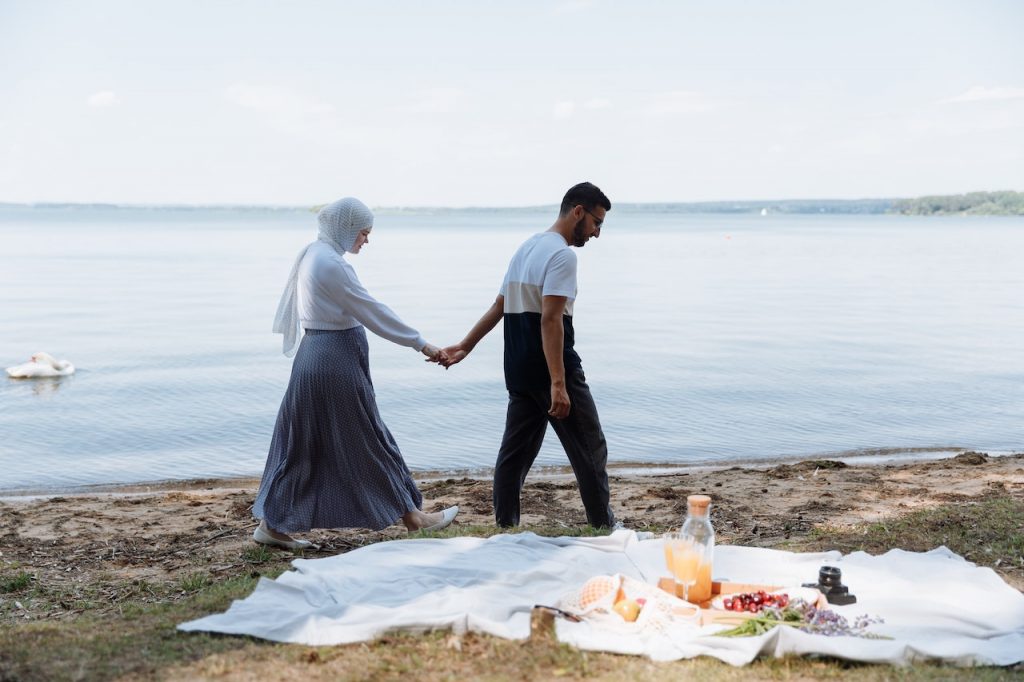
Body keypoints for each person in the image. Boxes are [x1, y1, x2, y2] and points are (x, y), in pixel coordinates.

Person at [253, 197, 458, 550]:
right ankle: (415, 518)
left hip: (318, 358)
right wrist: (422, 344)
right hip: (333, 362)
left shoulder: (314, 254)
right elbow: (372, 311)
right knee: (366, 439)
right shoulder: (331, 264)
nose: (366, 239)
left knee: (304, 444)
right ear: (346, 229)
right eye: (363, 232)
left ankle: (272, 526)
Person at [441, 182, 615, 528]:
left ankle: (506, 525)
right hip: (550, 366)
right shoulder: (563, 255)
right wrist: (559, 383)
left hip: (518, 366)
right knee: (590, 450)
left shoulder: (527, 247)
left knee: (515, 455)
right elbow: (551, 320)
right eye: (597, 222)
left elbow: (500, 306)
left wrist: (464, 346)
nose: (597, 233)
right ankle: (604, 527)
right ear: (577, 212)